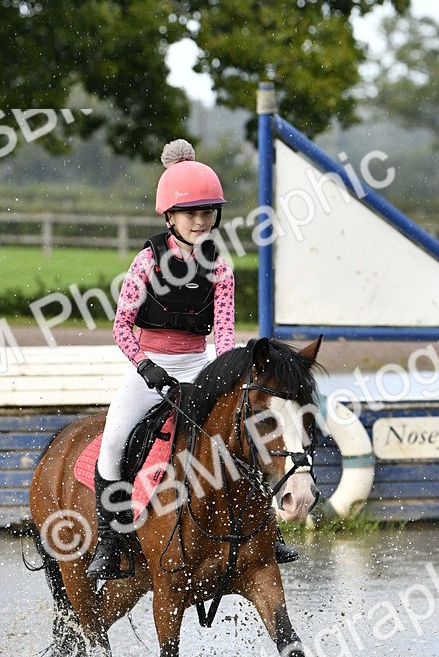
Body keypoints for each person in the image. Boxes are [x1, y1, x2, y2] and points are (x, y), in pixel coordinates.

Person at [86, 138, 298, 580]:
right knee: (113, 442)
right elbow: (121, 326)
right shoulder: (146, 263)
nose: (200, 220)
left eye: (207, 212)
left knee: (243, 432)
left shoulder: (220, 269)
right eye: (191, 213)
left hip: (198, 364)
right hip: (148, 367)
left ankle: (268, 529)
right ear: (170, 216)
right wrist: (147, 369)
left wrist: (227, 372)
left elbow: (223, 333)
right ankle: (110, 539)